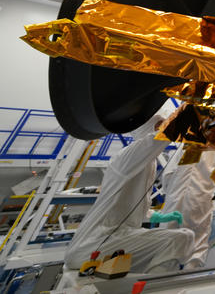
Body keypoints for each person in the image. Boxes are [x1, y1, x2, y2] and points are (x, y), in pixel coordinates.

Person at [63, 111, 195, 275]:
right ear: (145, 129)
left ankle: (150, 282)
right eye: (158, 124)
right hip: (92, 245)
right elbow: (154, 141)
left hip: (121, 236)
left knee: (182, 237)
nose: (162, 126)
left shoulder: (149, 163)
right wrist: (190, 111)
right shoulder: (126, 157)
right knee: (179, 239)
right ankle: (155, 287)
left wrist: (155, 216)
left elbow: (136, 206)